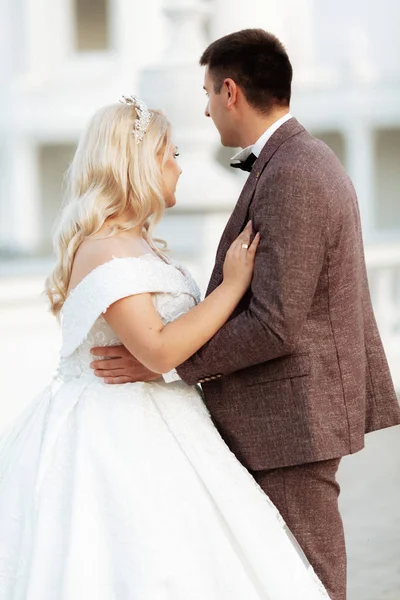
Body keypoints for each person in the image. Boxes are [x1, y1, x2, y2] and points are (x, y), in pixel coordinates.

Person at [90, 31, 400, 600]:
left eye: (207, 93)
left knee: (308, 578)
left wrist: (164, 363)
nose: (204, 108)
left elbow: (276, 322)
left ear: (230, 91)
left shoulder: (296, 173)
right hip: (284, 417)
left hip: (292, 422)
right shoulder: (294, 162)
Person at [0, 96, 332, 599]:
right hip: (113, 431)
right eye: (171, 154)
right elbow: (156, 350)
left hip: (170, 419)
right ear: (140, 164)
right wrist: (231, 287)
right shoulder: (101, 247)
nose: (179, 167)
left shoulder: (143, 245)